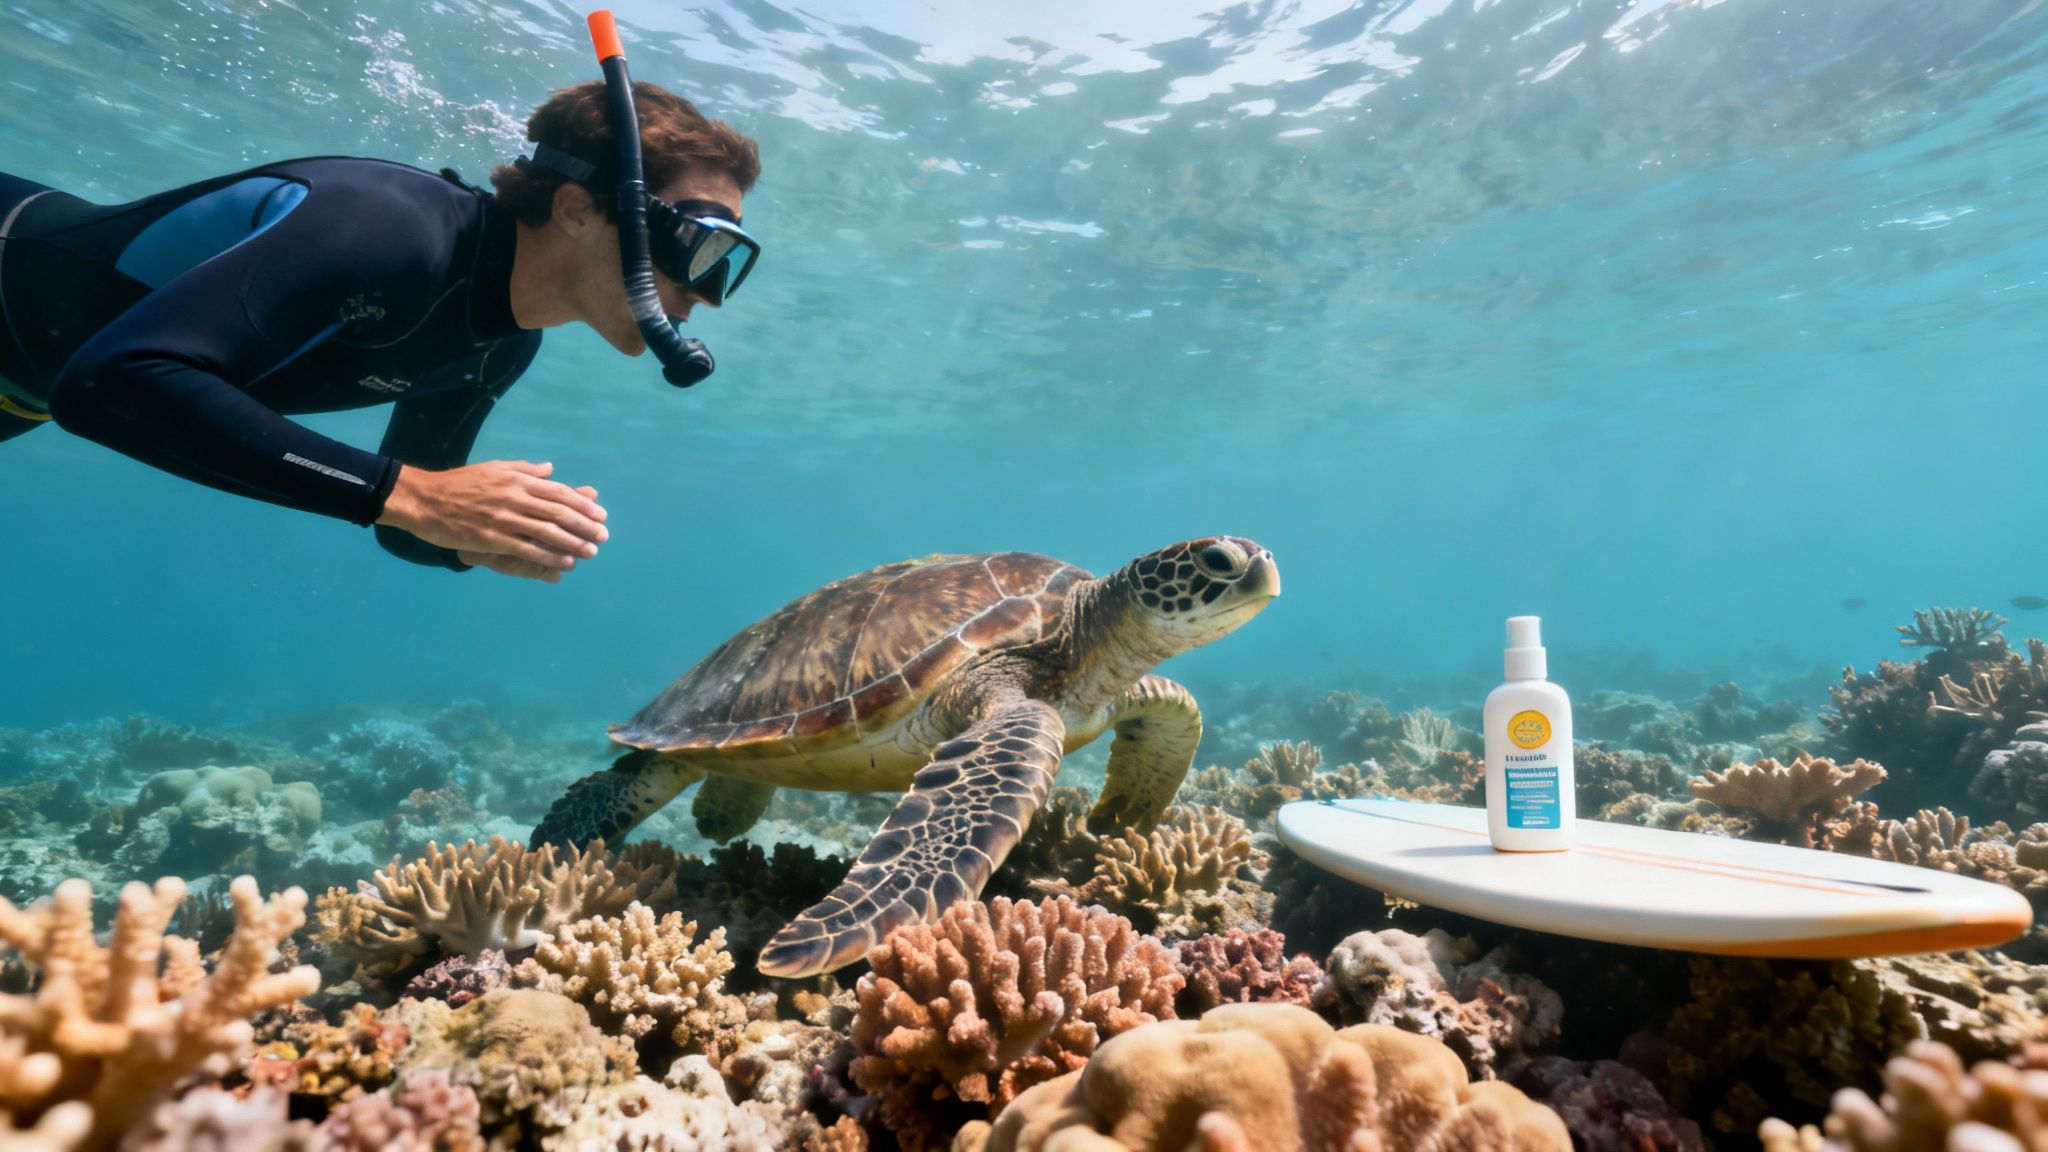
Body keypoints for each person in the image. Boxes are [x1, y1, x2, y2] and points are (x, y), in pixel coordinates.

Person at [0, 81, 760, 580]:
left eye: (730, 260)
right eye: (698, 245)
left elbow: (403, 522)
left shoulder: (501, 346)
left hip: (17, 391)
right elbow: (111, 381)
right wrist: (411, 496)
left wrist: (471, 536)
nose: (710, 293)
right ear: (574, 209)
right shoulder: (386, 230)